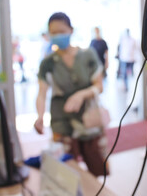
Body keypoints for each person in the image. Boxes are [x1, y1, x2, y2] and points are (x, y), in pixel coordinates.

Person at [34, 12, 108, 176]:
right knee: (65, 172)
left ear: (71, 30)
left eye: (61, 31)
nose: (57, 35)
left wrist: (81, 95)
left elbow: (99, 86)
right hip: (62, 122)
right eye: (53, 32)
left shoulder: (87, 55)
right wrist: (40, 116)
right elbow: (41, 93)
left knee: (97, 168)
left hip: (89, 120)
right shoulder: (48, 63)